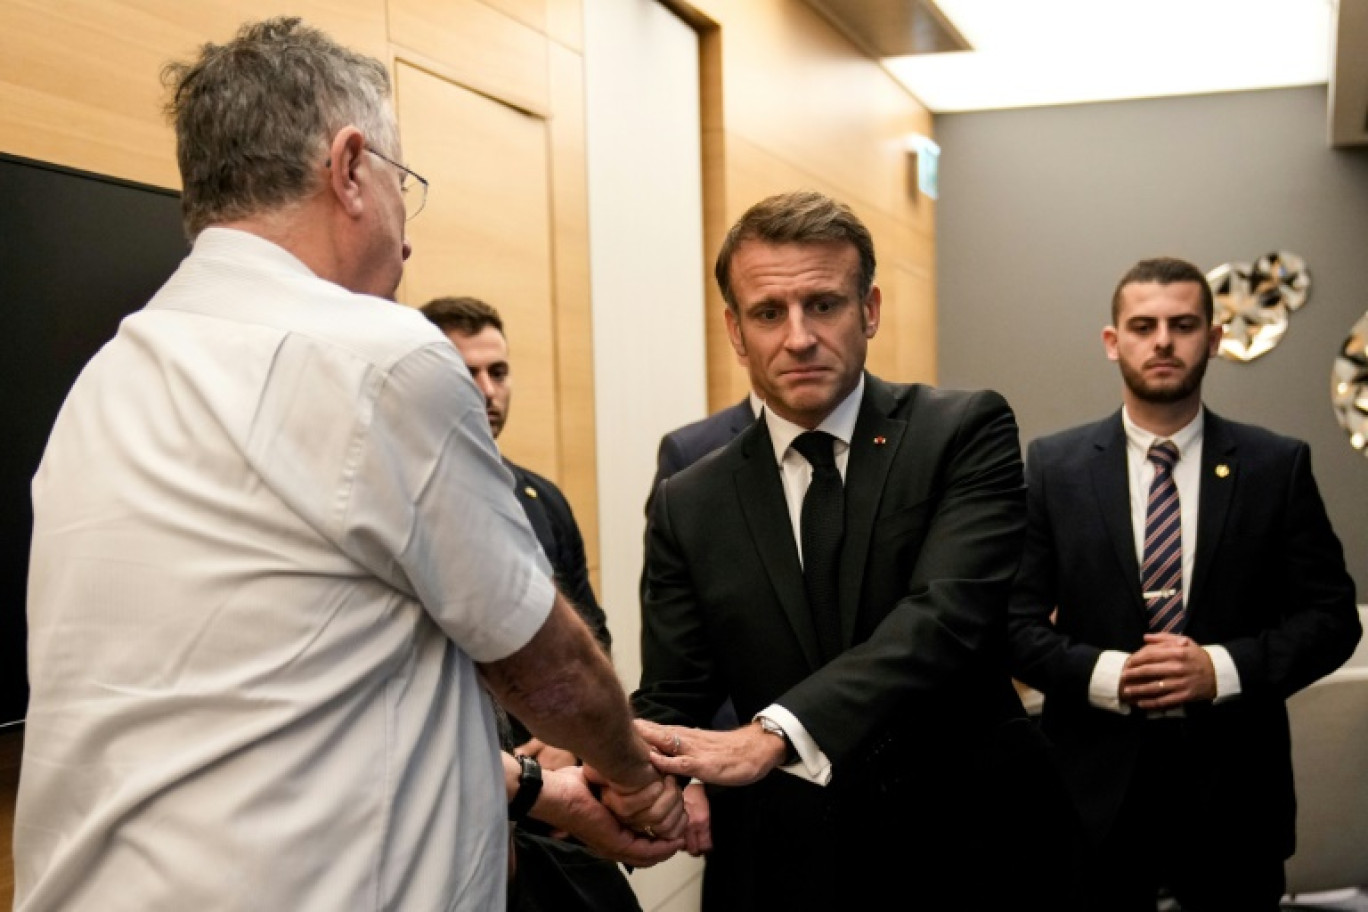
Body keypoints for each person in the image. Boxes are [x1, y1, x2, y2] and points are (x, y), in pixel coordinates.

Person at [12, 17, 682, 912]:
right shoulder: (376, 356)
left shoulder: (104, 382)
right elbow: (545, 670)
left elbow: (277, 701)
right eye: (404, 186)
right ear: (350, 167)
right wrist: (634, 776)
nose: (408, 243)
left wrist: (534, 790)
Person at [632, 189, 1081, 909]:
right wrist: (605, 755)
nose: (799, 336)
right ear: (735, 330)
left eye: (824, 304)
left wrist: (775, 733)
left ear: (868, 309)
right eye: (769, 313)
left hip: (969, 846)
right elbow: (675, 690)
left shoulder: (962, 432)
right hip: (782, 861)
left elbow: (944, 618)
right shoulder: (691, 499)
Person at [1006, 255, 1361, 911]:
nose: (1163, 341)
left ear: (1215, 339)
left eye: (1183, 324)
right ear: (1113, 343)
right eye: (1143, 325)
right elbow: (1010, 624)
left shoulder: (1275, 465)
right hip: (1092, 794)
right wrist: (1108, 674)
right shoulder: (1054, 466)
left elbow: (1333, 619)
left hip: (1236, 798)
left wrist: (1220, 669)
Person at [421, 295, 642, 912]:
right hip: (466, 797)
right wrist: (513, 770)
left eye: (498, 371)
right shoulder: (413, 501)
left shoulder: (541, 498)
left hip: (564, 793)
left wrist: (574, 744)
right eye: (466, 373)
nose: (487, 391)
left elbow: (590, 634)